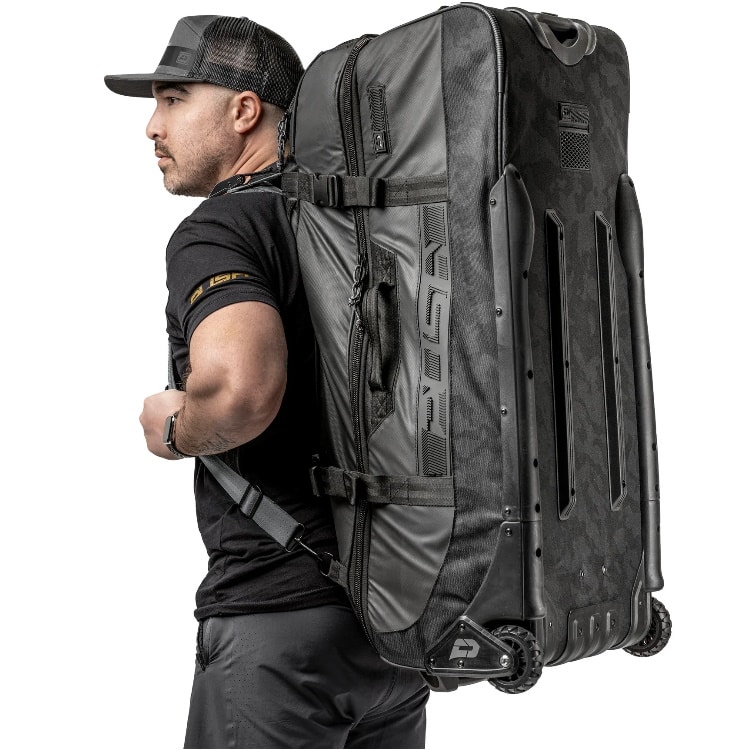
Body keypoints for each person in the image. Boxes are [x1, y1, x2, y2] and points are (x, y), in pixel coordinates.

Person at [105, 15, 429, 749]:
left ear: (245, 110)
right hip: (393, 625)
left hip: (279, 632)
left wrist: (173, 426)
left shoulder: (221, 229)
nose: (153, 126)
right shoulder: (362, 224)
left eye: (174, 99)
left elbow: (241, 393)